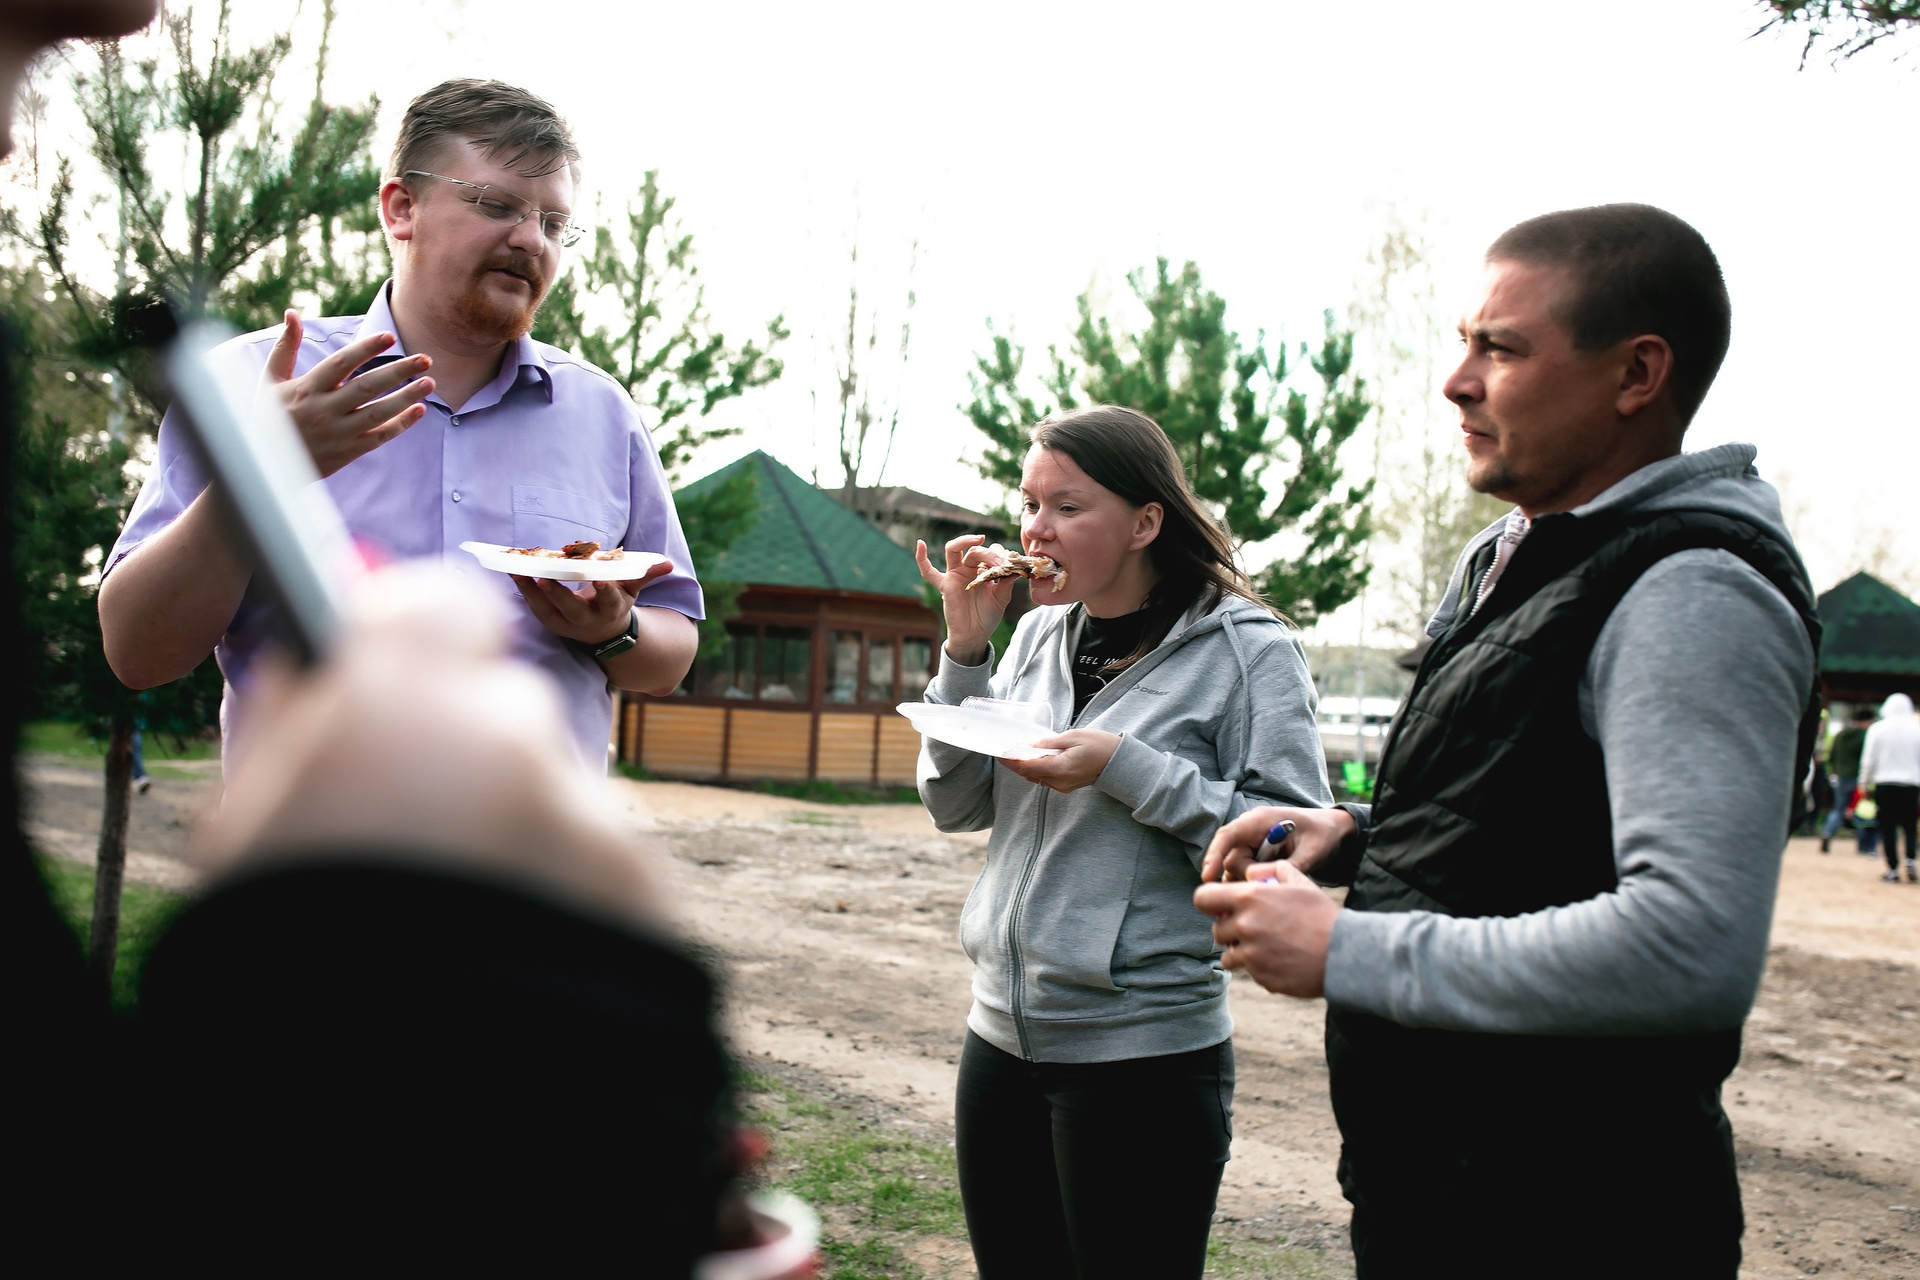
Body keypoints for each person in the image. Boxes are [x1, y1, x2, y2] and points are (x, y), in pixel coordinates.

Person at [1194, 204, 1821, 1278]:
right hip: (1445, 1194)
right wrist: (1355, 836)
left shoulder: (1691, 592)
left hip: (1579, 1222)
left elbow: (1690, 947)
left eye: (1502, 348)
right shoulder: (1518, 553)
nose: (1457, 381)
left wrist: (1349, 946)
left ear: (1637, 374)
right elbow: (1540, 822)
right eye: (1463, 342)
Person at [98, 78, 701, 775]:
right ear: (401, 207)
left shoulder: (603, 414)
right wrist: (258, 474)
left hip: (533, 844)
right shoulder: (250, 387)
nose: (531, 239)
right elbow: (137, 655)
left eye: (554, 223)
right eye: (496, 205)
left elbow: (668, 656)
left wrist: (616, 630)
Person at [913, 405, 1332, 1279]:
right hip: (999, 1038)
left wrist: (1125, 768)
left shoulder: (1250, 651)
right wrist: (965, 651)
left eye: (1068, 507)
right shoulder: (1035, 634)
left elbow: (1292, 841)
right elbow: (955, 806)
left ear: (1145, 523)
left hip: (1144, 1057)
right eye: (1030, 504)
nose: (1035, 530)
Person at [1861, 692, 1919, 883]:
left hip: (1884, 784)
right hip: (1911, 785)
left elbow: (1868, 760)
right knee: (1909, 826)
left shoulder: (1877, 728)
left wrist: (1863, 784)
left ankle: (1892, 869)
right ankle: (1910, 859)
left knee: (1888, 827)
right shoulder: (1917, 729)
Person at [1823, 705, 1875, 851]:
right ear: (1866, 721)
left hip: (1840, 777)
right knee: (1860, 810)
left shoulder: (1840, 735)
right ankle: (1863, 845)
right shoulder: (1865, 736)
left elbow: (1831, 755)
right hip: (1858, 777)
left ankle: (1827, 832)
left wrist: (1834, 771)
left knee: (1838, 809)